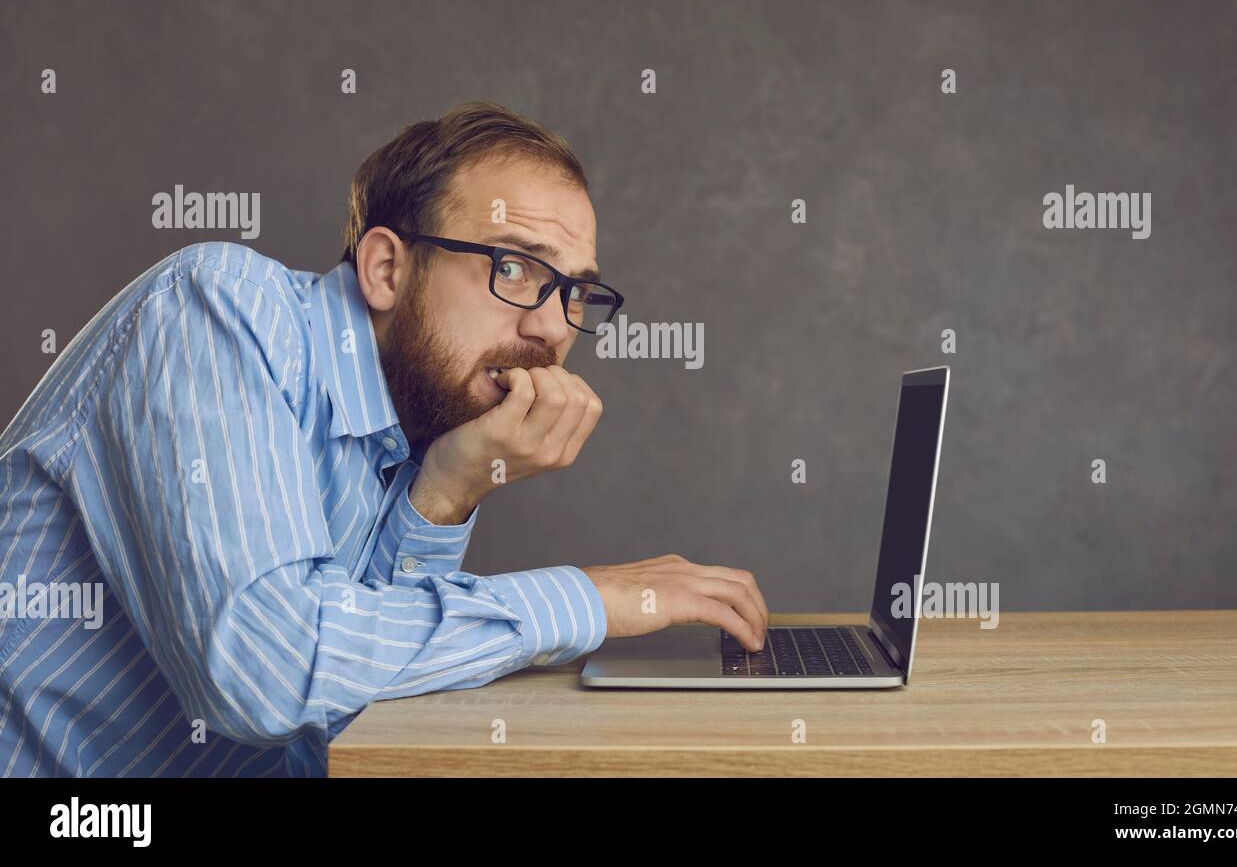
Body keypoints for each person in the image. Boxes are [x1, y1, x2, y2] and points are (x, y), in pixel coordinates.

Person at [0, 101, 768, 776]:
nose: (550, 326)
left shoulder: (415, 422)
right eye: (514, 266)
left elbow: (343, 725)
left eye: (573, 290)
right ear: (385, 269)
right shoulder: (218, 311)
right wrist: (590, 598)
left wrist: (446, 494)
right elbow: (268, 680)